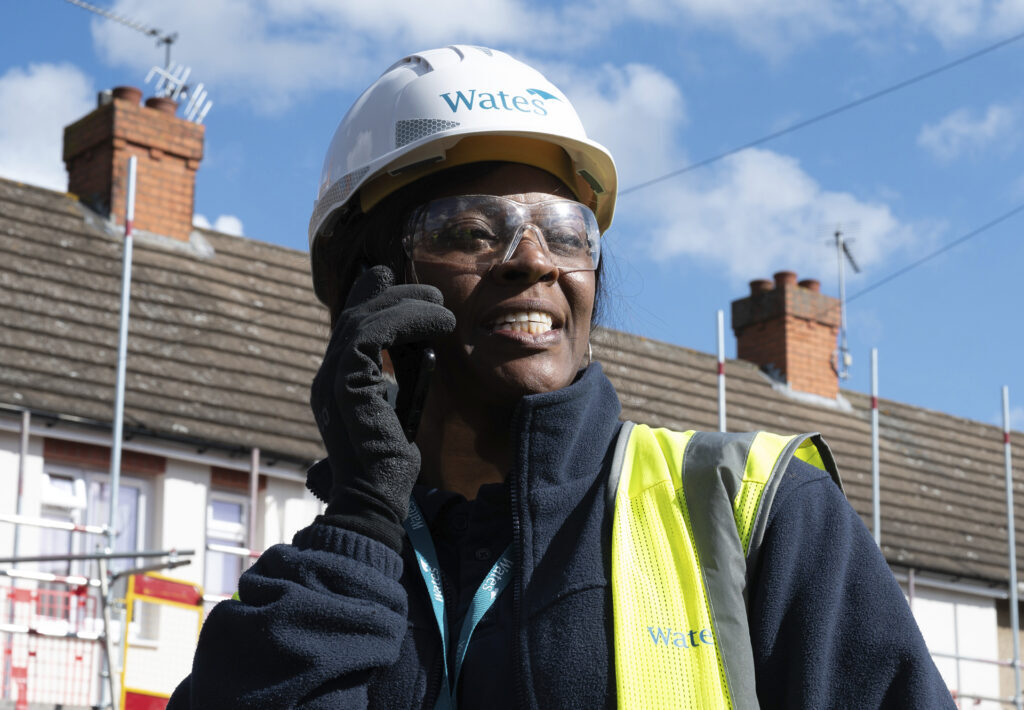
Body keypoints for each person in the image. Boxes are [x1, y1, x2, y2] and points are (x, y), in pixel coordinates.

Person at [168, 45, 955, 709]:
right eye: (473, 230)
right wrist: (364, 511)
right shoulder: (327, 579)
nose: (535, 258)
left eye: (564, 230)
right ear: (369, 287)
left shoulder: (759, 514)